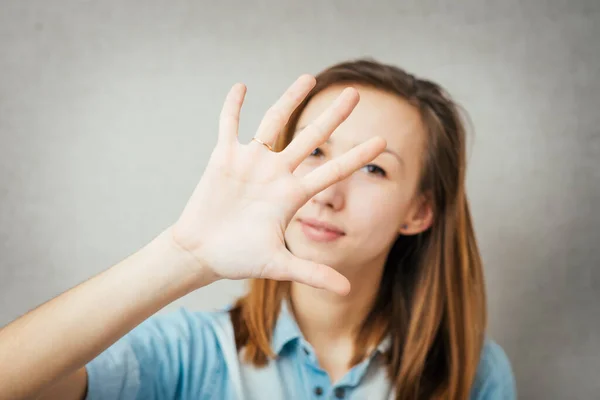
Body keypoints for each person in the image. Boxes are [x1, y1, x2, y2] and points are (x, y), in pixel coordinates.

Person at [0, 59, 516, 400]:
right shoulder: (188, 354)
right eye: (316, 151)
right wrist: (183, 254)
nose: (326, 191)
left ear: (419, 212)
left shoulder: (473, 375)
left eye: (373, 169)